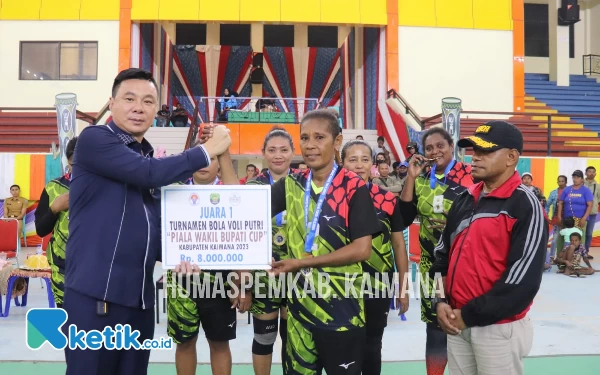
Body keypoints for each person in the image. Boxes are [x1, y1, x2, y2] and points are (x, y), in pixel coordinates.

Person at [63, 68, 232, 375]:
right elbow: (148, 174)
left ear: (156, 111)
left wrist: (182, 257)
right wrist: (207, 150)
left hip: (139, 302)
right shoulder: (95, 140)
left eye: (148, 101)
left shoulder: (147, 156)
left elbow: (153, 232)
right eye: (129, 99)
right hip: (95, 297)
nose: (138, 107)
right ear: (111, 104)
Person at [269, 109, 381, 375]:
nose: (310, 145)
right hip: (298, 314)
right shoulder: (291, 184)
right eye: (305, 138)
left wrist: (301, 262)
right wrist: (222, 156)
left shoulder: (354, 186)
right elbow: (245, 211)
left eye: (319, 137)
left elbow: (362, 249)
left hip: (342, 312)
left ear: (337, 141)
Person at [430, 120, 547, 375]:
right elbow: (440, 259)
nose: (475, 158)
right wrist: (439, 301)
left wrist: (468, 315)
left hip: (498, 330)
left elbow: (522, 284)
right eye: (474, 151)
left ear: (511, 157)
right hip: (456, 323)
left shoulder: (525, 205)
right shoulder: (464, 198)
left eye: (485, 151)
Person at [398, 127, 474, 375]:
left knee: (467, 322)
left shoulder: (470, 176)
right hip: (432, 267)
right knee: (436, 326)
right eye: (429, 148)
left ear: (451, 147)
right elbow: (405, 216)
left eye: (440, 145)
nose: (435, 151)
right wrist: (410, 176)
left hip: (465, 265)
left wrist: (456, 225)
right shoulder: (421, 178)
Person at [167, 150, 247, 375]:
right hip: (182, 280)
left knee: (220, 343)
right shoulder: (173, 193)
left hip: (220, 281)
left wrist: (240, 281)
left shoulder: (231, 194)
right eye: (199, 156)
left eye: (211, 158)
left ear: (220, 165)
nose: (204, 163)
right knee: (184, 343)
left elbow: (242, 239)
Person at [340, 139, 409, 375]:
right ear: (342, 163)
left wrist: (404, 288)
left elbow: (399, 246)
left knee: (372, 344)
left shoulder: (388, 199)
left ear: (372, 164)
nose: (359, 165)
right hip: (339, 284)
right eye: (352, 159)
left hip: (378, 284)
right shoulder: (331, 199)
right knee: (343, 345)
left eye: (365, 159)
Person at [245, 128, 296, 375]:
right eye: (272, 150)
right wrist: (243, 282)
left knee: (291, 339)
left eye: (284, 150)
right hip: (263, 275)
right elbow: (242, 233)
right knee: (264, 339)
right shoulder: (253, 186)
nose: (278, 155)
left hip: (297, 274)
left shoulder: (302, 184)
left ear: (292, 153)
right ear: (263, 154)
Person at [34, 136, 78, 308]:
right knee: (66, 316)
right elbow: (41, 230)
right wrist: (54, 209)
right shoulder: (53, 188)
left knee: (94, 320)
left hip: (96, 265)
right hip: (62, 265)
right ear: (68, 161)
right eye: (75, 164)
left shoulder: (103, 188)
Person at [556, 170, 594, 254]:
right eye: (574, 177)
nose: (575, 179)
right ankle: (560, 258)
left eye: (577, 177)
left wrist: (584, 218)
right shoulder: (567, 189)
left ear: (582, 179)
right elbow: (561, 203)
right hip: (567, 220)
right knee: (562, 238)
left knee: (579, 239)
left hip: (581, 220)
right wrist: (559, 216)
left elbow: (590, 205)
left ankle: (577, 259)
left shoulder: (586, 191)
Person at [545, 175, 568, 267]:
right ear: (557, 182)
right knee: (554, 240)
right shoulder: (553, 193)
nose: (561, 183)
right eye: (559, 181)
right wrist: (546, 216)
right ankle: (551, 257)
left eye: (563, 181)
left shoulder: (570, 191)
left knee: (566, 240)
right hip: (556, 220)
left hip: (568, 220)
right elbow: (547, 205)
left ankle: (564, 258)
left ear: (566, 182)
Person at [584, 166, 600, 257]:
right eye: (589, 171)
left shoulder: (598, 186)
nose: (591, 173)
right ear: (586, 173)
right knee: (580, 233)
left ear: (595, 174)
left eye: (593, 172)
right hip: (581, 213)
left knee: (589, 234)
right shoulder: (581, 184)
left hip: (592, 213)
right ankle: (578, 252)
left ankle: (585, 252)